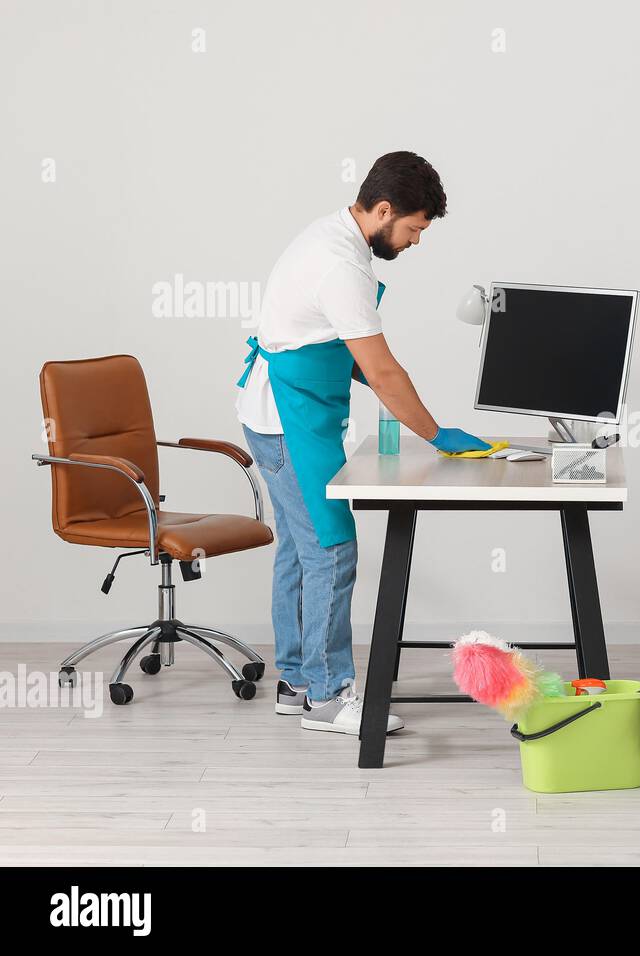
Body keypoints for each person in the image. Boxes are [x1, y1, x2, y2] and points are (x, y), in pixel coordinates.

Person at [234, 151, 490, 735]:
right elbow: (381, 371)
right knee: (331, 549)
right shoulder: (339, 263)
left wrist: (402, 403)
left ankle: (298, 682)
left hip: (281, 412)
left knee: (302, 551)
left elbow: (336, 346)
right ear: (382, 210)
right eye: (415, 228)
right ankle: (327, 696)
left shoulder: (334, 237)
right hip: (287, 419)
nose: (416, 241)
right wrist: (436, 434)